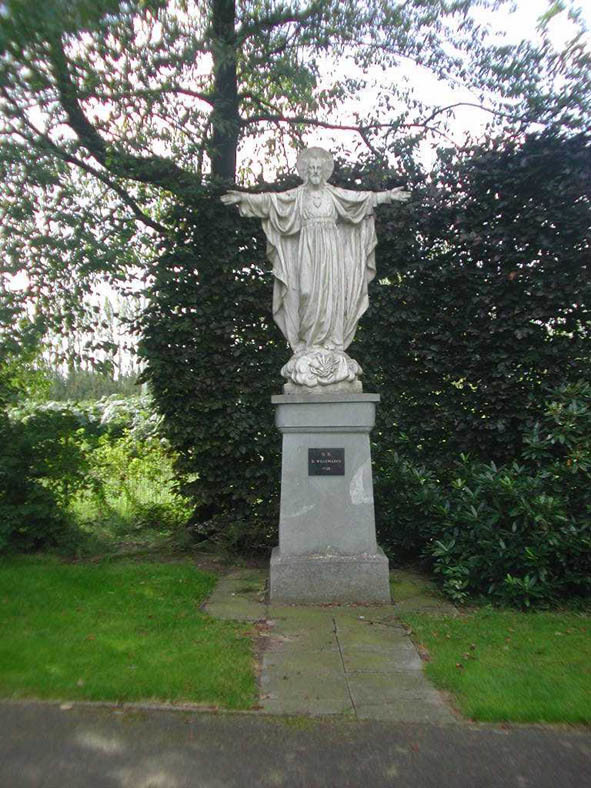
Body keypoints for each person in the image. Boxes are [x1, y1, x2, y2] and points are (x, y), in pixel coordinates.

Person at [221, 147, 409, 389]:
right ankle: (309, 345)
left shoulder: (334, 194)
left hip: (331, 253)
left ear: (324, 171)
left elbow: (359, 199)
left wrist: (388, 196)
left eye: (319, 168)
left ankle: (332, 344)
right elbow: (272, 201)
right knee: (307, 293)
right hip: (307, 251)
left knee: (331, 296)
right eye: (311, 168)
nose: (315, 172)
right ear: (305, 172)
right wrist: (244, 198)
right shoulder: (298, 196)